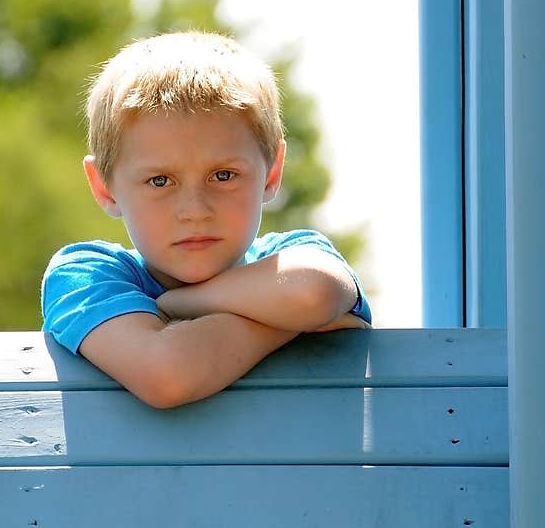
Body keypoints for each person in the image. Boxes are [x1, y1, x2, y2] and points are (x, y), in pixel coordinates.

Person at [41, 30, 372, 409]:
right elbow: (168, 376)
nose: (195, 210)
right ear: (105, 187)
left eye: (223, 176)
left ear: (272, 171)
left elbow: (313, 293)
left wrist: (177, 305)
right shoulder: (85, 274)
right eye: (160, 181)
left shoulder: (292, 254)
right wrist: (293, 323)